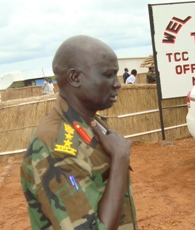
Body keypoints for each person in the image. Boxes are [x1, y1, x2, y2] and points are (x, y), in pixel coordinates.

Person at [20, 35, 137, 230]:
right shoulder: (56, 148)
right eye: (108, 74)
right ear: (75, 78)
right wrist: (120, 158)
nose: (118, 84)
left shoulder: (91, 123)